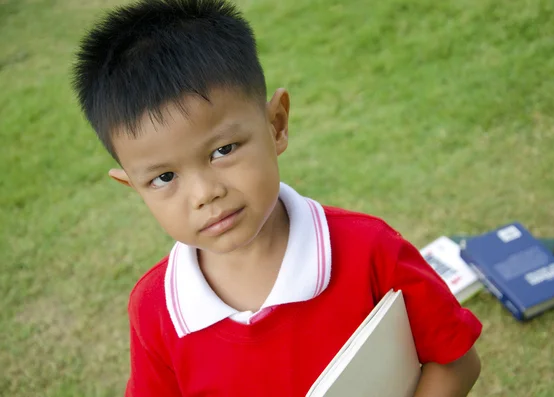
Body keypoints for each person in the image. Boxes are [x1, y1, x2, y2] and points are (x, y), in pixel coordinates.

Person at [72, 0, 482, 395]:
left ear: (277, 125)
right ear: (133, 186)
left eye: (223, 151)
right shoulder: (154, 310)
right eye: (163, 177)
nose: (204, 194)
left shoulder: (369, 250)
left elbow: (456, 361)